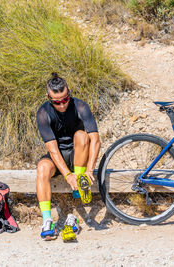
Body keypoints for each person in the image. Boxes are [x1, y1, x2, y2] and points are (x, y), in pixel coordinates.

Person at [36, 73, 101, 240]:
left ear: (69, 92)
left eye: (65, 99)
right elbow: (52, 149)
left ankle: (79, 185)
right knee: (42, 168)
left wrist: (90, 169)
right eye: (56, 101)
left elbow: (95, 140)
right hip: (58, 156)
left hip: (78, 154)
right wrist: (66, 174)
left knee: (81, 135)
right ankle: (47, 220)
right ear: (48, 97)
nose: (62, 104)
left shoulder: (80, 106)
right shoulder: (43, 112)